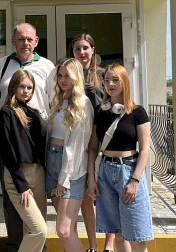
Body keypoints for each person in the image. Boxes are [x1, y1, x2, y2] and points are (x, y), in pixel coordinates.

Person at [0, 23, 56, 252]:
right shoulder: (2, 64)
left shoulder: (47, 66)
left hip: (37, 146)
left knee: (37, 207)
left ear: (36, 41)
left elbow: (55, 104)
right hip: (10, 143)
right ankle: (15, 244)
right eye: (20, 38)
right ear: (13, 40)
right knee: (13, 199)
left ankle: (37, 247)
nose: (25, 43)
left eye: (29, 39)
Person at [87, 64, 153, 252]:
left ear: (124, 82)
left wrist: (135, 180)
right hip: (106, 173)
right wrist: (92, 179)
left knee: (136, 236)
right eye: (107, 80)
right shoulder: (100, 111)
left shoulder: (138, 112)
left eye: (115, 80)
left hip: (129, 171)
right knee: (118, 234)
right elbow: (93, 147)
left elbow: (145, 149)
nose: (110, 84)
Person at [69, 34, 115, 252]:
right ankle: (93, 245)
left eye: (85, 47)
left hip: (103, 140)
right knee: (87, 197)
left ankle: (109, 244)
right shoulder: (71, 76)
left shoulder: (104, 75)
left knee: (106, 195)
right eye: (77, 48)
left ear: (93, 50)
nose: (82, 52)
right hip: (80, 141)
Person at [0, 70, 48, 252]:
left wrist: (38, 113)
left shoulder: (31, 112)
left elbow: (43, 137)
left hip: (38, 172)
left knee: (32, 231)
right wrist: (21, 185)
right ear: (13, 87)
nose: (26, 91)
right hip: (18, 175)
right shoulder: (5, 113)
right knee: (39, 230)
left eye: (29, 88)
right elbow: (7, 151)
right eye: (22, 87)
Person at [46, 58, 93, 252]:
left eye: (67, 76)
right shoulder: (59, 100)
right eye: (60, 75)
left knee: (63, 230)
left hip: (71, 169)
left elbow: (76, 146)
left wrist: (64, 178)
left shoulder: (83, 103)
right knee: (69, 228)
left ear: (77, 77)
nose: (63, 80)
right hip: (52, 161)